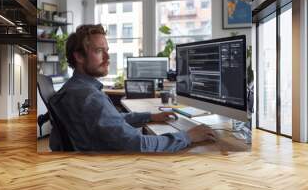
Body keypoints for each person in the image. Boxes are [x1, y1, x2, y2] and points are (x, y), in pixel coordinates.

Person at [48, 24, 217, 152]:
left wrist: (150, 116)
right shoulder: (89, 97)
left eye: (107, 50)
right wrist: (188, 136)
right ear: (79, 56)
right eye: (99, 51)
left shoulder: (74, 88)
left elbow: (111, 120)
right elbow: (139, 144)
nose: (108, 58)